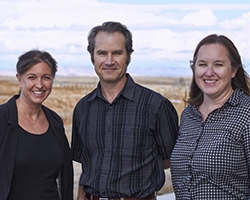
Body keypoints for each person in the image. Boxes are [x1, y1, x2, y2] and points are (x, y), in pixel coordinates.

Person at [71, 21, 179, 200]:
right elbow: (87, 164)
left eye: (117, 53)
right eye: (102, 53)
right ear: (92, 56)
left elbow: (170, 160)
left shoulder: (156, 105)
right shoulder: (83, 108)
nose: (109, 61)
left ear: (128, 56)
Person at [170, 34, 250, 199]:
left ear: (234, 70)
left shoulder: (246, 113)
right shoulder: (189, 115)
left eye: (218, 64)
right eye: (202, 64)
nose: (209, 72)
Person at [0, 50, 73, 200]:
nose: (39, 85)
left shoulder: (55, 121)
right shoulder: (2, 118)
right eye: (31, 77)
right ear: (19, 79)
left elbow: (65, 175)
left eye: (46, 77)